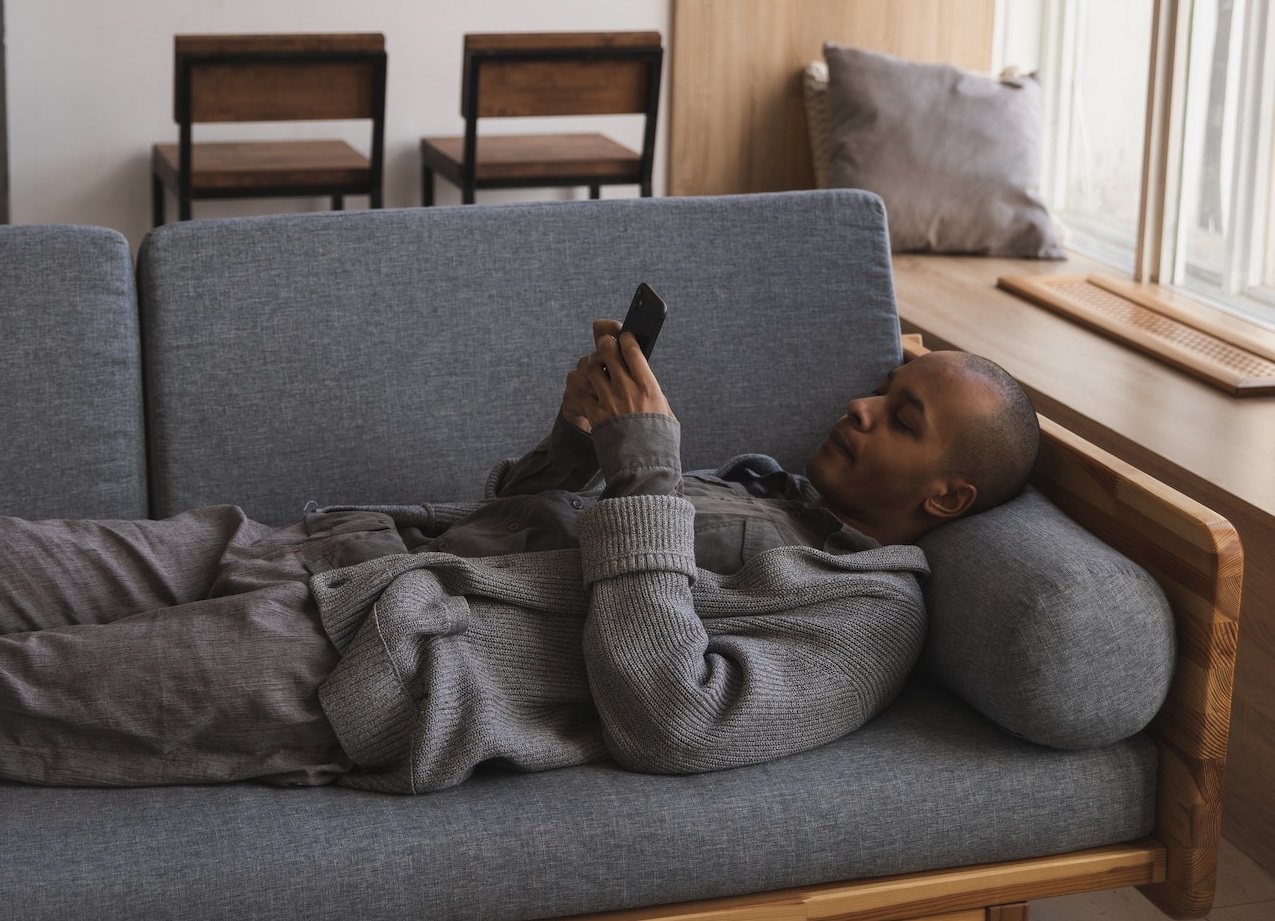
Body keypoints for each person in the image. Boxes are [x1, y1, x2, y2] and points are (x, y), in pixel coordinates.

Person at [0, 321, 1039, 793]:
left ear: (947, 495)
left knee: (28, 687)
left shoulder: (868, 619)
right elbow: (521, 541)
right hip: (321, 549)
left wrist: (643, 474)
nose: (861, 407)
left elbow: (672, 719)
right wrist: (574, 448)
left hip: (371, 658)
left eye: (899, 418)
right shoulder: (771, 484)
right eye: (884, 389)